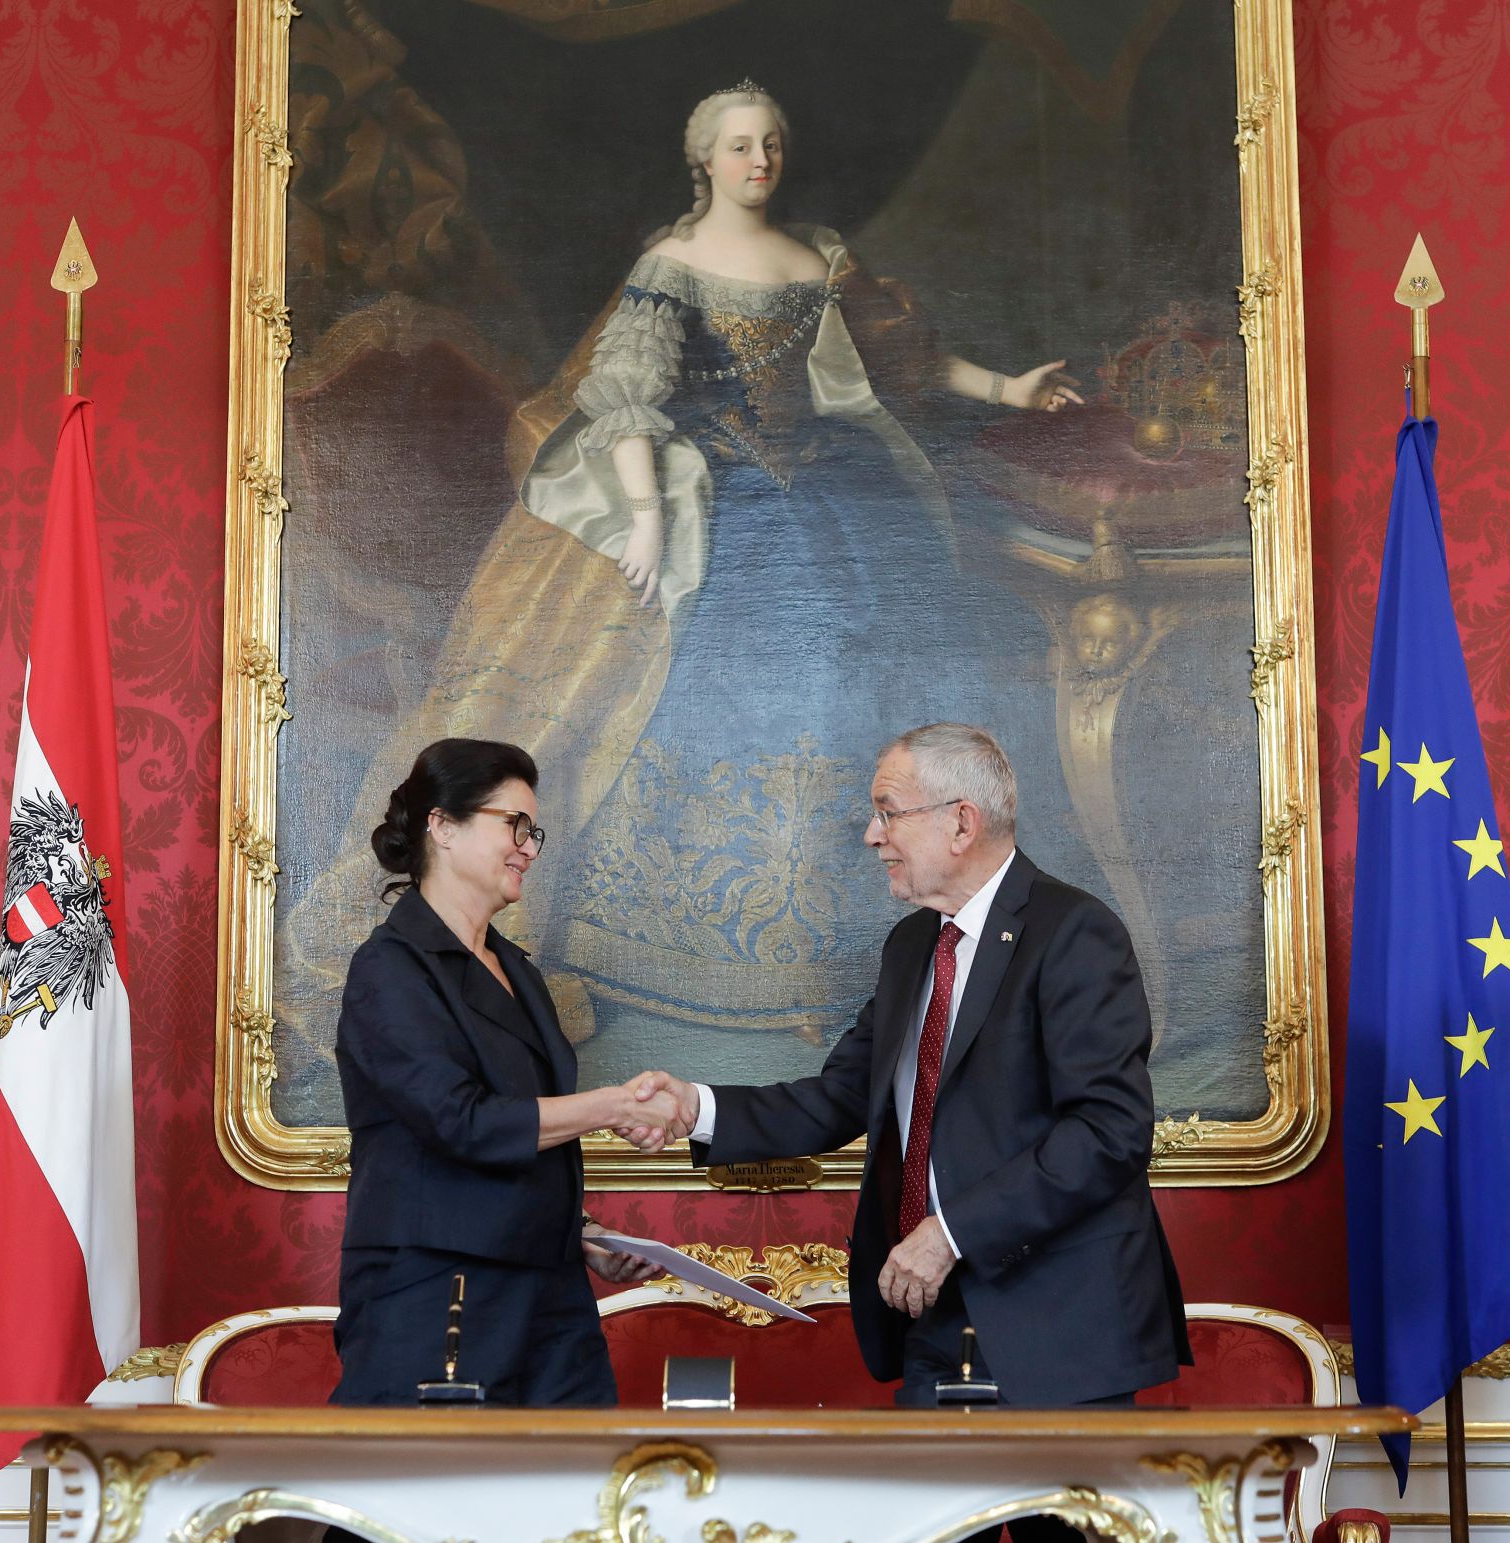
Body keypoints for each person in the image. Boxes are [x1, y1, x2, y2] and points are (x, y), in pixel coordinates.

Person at [283, 81, 1081, 1086]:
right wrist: (649, 523)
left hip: (829, 491)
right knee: (742, 672)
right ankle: (677, 952)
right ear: (702, 159)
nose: (761, 162)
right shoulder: (673, 263)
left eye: (772, 145)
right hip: (713, 495)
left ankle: (846, 950)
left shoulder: (818, 254)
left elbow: (904, 361)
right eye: (741, 146)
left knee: (871, 665)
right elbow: (619, 398)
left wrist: (1007, 388)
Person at [629, 723, 1191, 1415]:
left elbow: (1109, 1130)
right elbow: (840, 1096)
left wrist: (950, 1232)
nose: (872, 834)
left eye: (889, 812)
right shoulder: (911, 945)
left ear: (961, 823)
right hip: (931, 1315)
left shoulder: (1074, 932)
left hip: (1059, 1327)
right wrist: (696, 1108)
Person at [329, 737, 692, 1407]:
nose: (528, 845)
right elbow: (461, 1122)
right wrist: (615, 1105)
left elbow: (522, 1131)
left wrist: (582, 1238)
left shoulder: (518, 969)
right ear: (441, 825)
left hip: (550, 1299)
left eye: (534, 831)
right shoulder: (389, 969)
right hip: (439, 1301)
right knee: (432, 1510)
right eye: (513, 825)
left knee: (574, 1503)